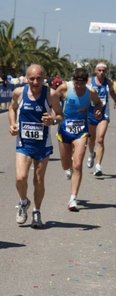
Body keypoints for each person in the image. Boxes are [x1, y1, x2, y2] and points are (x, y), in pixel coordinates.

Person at [8, 64, 64, 228]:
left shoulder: (50, 94)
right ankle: (24, 202)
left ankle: (37, 211)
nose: (35, 82)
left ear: (44, 78)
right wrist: (12, 124)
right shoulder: (19, 92)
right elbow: (12, 109)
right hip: (23, 142)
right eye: (31, 78)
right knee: (20, 178)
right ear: (26, 78)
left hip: (42, 144)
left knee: (38, 181)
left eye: (38, 78)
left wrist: (52, 120)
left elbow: (60, 115)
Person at [56, 68, 102, 211]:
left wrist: (97, 110)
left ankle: (73, 198)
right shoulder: (64, 88)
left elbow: (98, 103)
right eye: (76, 83)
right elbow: (52, 100)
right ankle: (67, 167)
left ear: (86, 82)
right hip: (64, 130)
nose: (79, 87)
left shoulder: (91, 92)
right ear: (73, 80)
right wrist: (53, 113)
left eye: (81, 84)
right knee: (66, 165)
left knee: (77, 163)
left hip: (81, 130)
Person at [86, 62, 116, 176]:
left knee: (100, 139)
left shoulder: (108, 82)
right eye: (99, 70)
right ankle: (91, 153)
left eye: (104, 70)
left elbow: (112, 93)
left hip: (104, 113)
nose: (102, 72)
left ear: (106, 72)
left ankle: (98, 166)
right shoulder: (89, 81)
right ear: (95, 70)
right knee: (91, 139)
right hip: (91, 113)